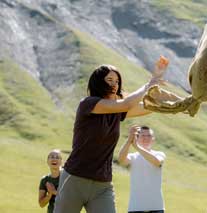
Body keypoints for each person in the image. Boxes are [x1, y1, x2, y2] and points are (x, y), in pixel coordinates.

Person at [53, 56, 169, 213]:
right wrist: (150, 83)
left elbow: (148, 107)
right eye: (110, 80)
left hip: (102, 185)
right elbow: (127, 104)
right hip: (75, 178)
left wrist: (181, 103)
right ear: (98, 82)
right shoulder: (88, 104)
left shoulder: (117, 111)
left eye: (117, 82)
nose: (115, 85)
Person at [118, 125, 166, 213]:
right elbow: (121, 160)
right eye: (143, 135)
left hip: (156, 207)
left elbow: (157, 162)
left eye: (149, 136)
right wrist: (129, 140)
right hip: (135, 207)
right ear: (137, 138)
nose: (146, 138)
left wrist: (136, 146)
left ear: (153, 139)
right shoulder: (133, 156)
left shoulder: (159, 154)